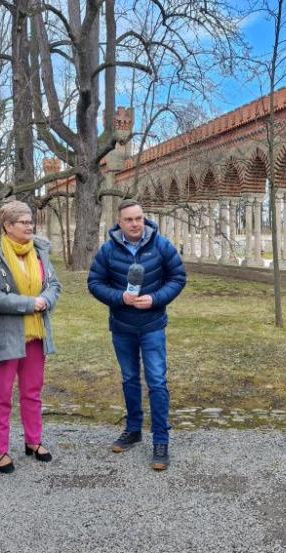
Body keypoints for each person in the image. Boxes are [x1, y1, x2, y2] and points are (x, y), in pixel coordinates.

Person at [87, 199, 186, 471]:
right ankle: (133, 429)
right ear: (119, 222)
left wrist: (155, 299)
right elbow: (94, 283)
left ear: (145, 219)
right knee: (130, 378)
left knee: (156, 381)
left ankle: (161, 441)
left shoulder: (161, 245)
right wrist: (119, 297)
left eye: (139, 218)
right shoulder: (108, 250)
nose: (135, 224)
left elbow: (178, 278)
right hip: (122, 326)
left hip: (153, 325)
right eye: (129, 219)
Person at [0, 201, 62, 474]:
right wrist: (29, 304)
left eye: (30, 221)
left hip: (36, 333)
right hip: (3, 335)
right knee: (0, 397)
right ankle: (0, 450)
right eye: (23, 222)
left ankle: (33, 441)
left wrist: (44, 301)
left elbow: (54, 285)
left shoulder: (39, 250)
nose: (29, 226)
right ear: (7, 226)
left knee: (32, 392)